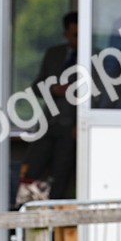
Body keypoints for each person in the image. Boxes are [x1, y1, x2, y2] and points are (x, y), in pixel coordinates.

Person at [18, 11, 78, 204]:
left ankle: (55, 213)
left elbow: (100, 94)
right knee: (33, 167)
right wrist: (53, 89)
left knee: (62, 173)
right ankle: (27, 208)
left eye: (81, 35)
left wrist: (82, 124)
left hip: (73, 126)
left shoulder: (93, 55)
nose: (78, 40)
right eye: (74, 35)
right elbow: (36, 87)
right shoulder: (54, 54)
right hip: (48, 123)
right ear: (65, 34)